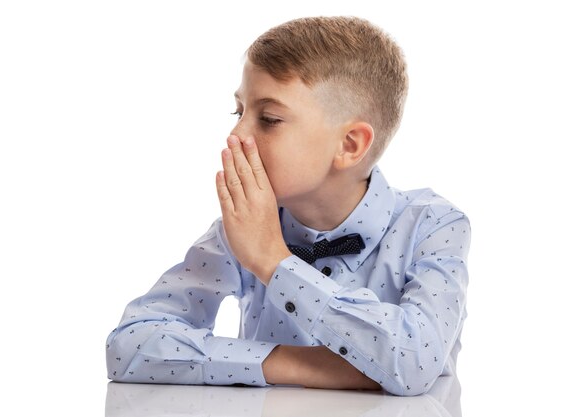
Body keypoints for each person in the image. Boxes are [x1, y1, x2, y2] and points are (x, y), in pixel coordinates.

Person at [105, 16, 471, 397]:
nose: (236, 134)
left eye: (268, 119)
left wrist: (274, 261)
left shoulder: (434, 224)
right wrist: (293, 363)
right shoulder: (242, 228)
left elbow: (415, 360)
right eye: (238, 112)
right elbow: (129, 346)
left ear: (349, 145)